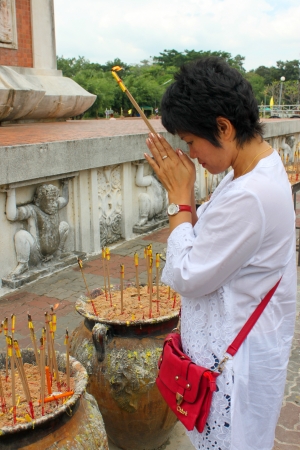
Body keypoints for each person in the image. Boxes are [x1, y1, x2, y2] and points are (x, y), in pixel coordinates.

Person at [144, 57, 296, 450]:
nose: (191, 154)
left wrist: (179, 201)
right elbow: (213, 243)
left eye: (192, 141)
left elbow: (188, 275)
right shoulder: (248, 170)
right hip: (236, 353)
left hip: (234, 369)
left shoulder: (251, 193)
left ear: (223, 127)